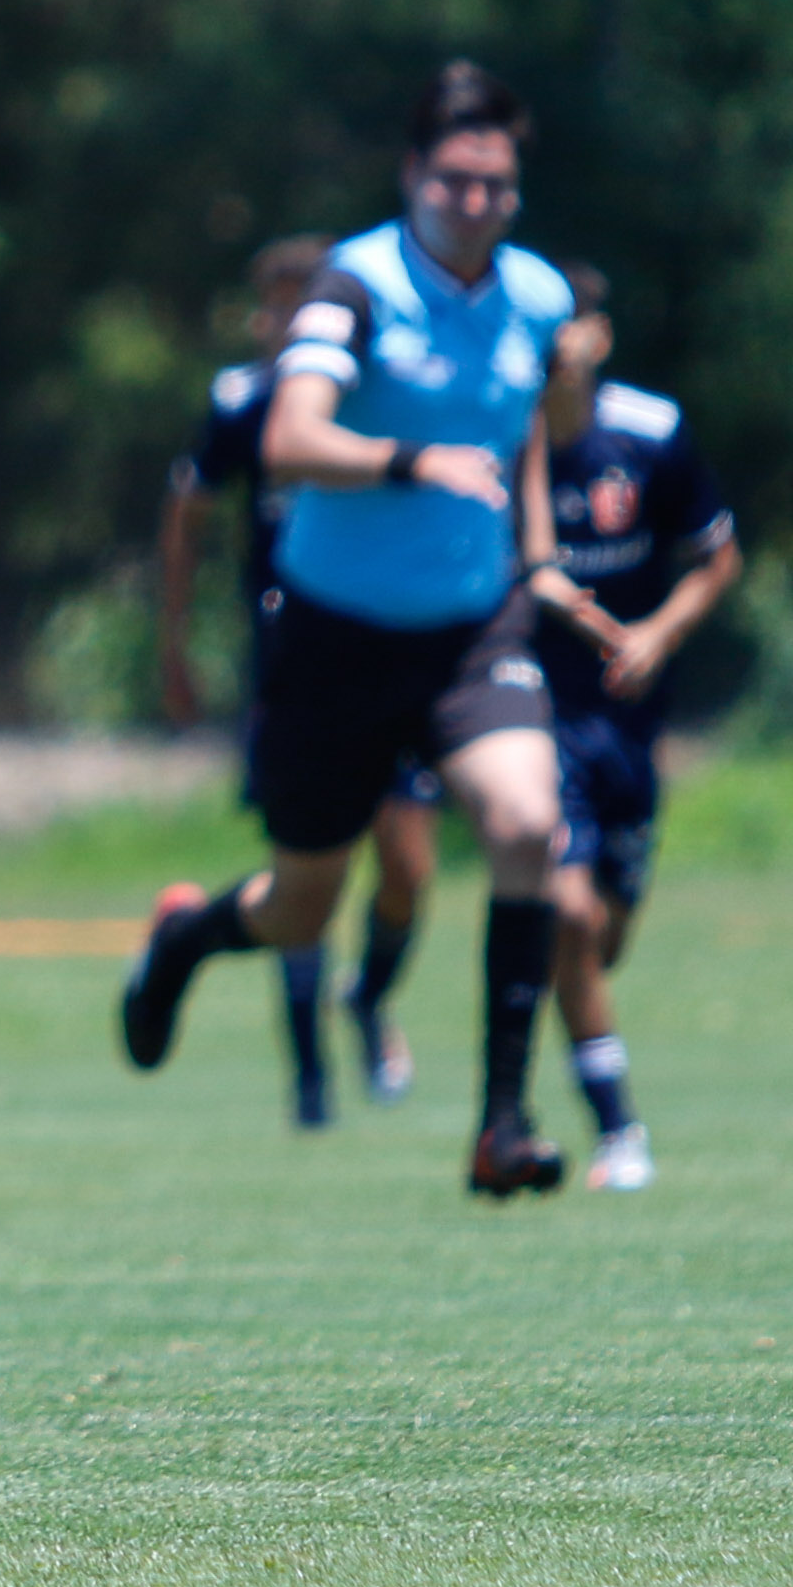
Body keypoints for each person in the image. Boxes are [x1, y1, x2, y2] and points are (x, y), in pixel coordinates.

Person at [115, 60, 583, 1198]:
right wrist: (408, 461)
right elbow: (287, 439)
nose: (475, 205)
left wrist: (537, 553)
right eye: (455, 182)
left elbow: (528, 427)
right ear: (413, 177)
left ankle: (502, 1127)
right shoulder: (352, 288)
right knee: (299, 908)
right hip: (333, 634)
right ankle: (184, 939)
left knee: (526, 826)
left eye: (496, 186)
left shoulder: (536, 298)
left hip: (469, 632)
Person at [155, 237, 421, 1125]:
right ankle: (310, 1078)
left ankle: (371, 997)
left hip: (397, 648)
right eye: (270, 305)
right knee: (308, 871)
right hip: (295, 664)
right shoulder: (243, 404)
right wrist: (175, 642)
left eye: (296, 304)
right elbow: (187, 516)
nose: (281, 322)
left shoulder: (383, 395)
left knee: (407, 869)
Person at [529, 262, 742, 1190]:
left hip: (629, 721)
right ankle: (621, 1132)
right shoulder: (504, 440)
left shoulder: (650, 432)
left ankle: (559, 1001)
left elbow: (718, 556)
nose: (557, 343)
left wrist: (658, 632)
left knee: (599, 937)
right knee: (569, 916)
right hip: (532, 711)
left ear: (599, 337)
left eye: (570, 325)